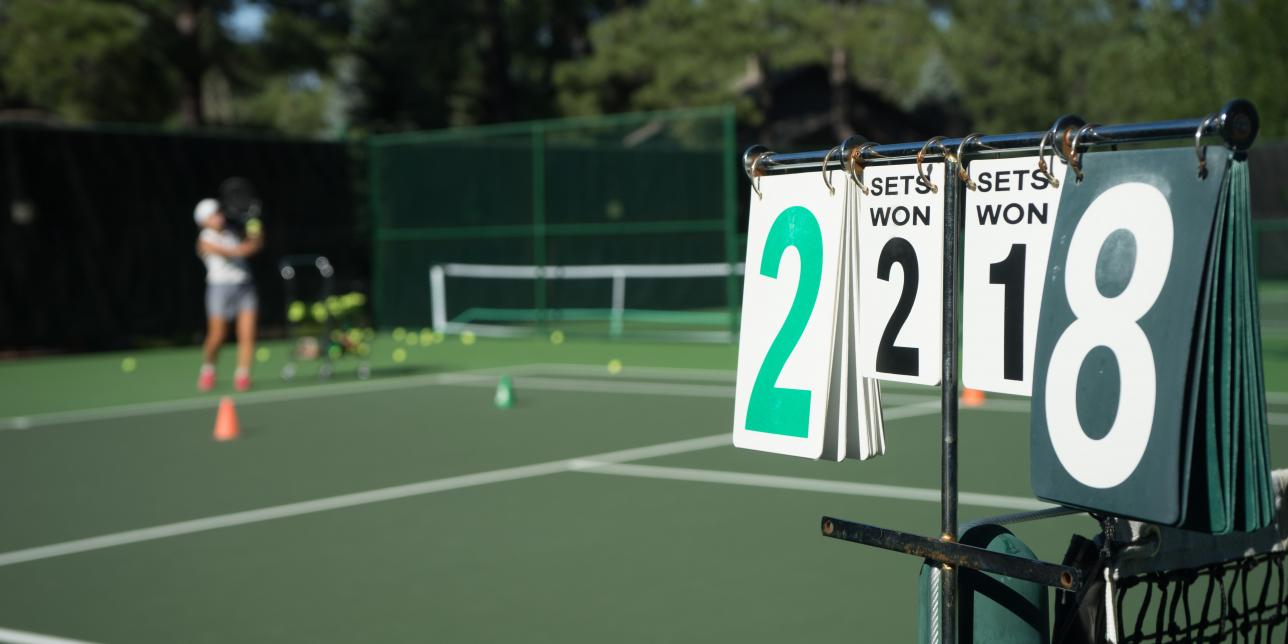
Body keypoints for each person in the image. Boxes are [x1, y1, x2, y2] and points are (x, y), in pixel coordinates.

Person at [193, 198, 263, 391]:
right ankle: (208, 369)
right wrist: (249, 244)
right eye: (213, 215)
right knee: (217, 335)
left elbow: (254, 247)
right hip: (219, 289)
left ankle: (243, 375)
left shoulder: (232, 233)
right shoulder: (204, 240)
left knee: (247, 335)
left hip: (245, 287)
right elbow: (234, 252)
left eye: (219, 213)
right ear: (203, 221)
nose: (219, 217)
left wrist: (256, 230)